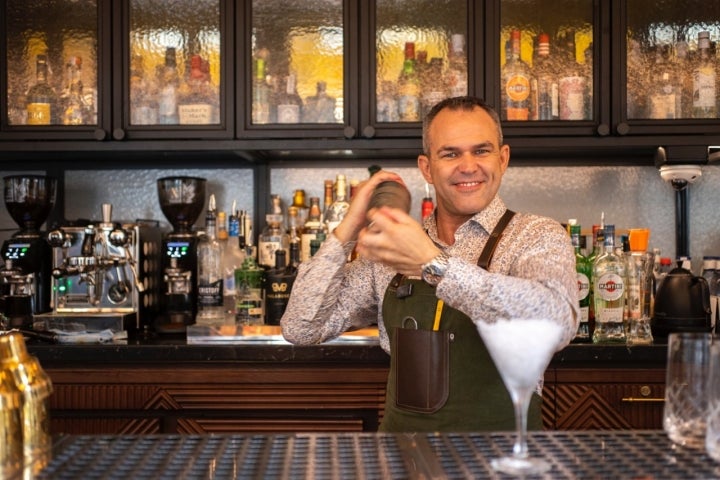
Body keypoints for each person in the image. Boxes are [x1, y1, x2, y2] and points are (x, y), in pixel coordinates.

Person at [281, 96, 579, 432]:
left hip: (500, 459)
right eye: (450, 153)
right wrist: (348, 227)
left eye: (480, 150)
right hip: (401, 456)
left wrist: (433, 263)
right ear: (427, 168)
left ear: (503, 157)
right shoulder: (393, 249)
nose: (468, 166)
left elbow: (554, 323)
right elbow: (301, 328)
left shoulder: (534, 235)